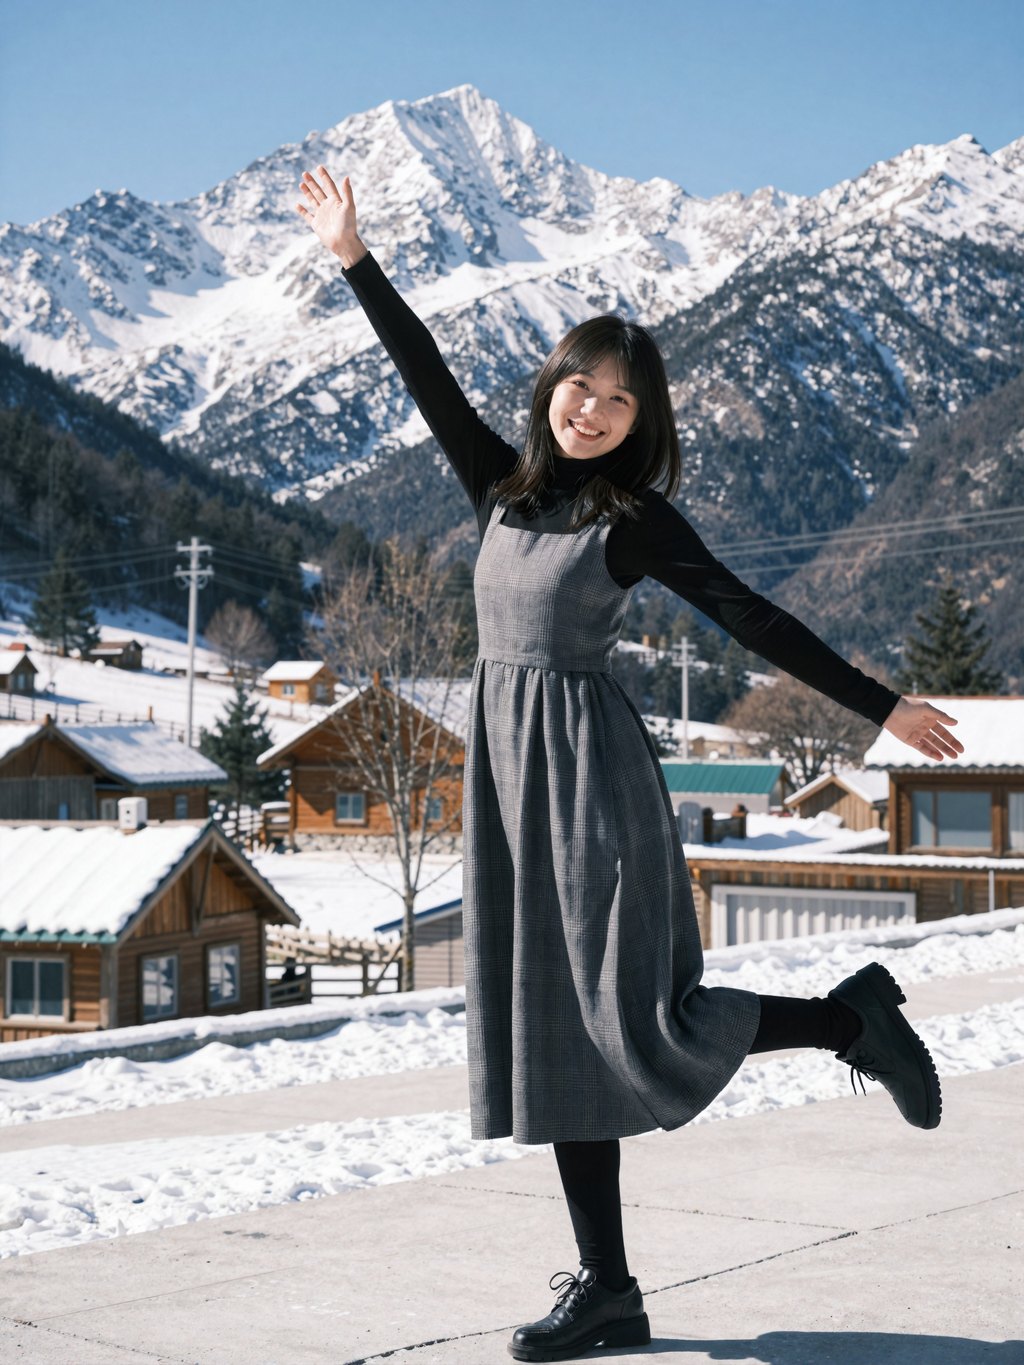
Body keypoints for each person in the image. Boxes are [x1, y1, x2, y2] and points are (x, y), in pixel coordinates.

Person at [296, 167, 965, 1363]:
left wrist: (881, 708)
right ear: (551, 387)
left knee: (633, 1017)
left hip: (592, 789)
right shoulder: (497, 489)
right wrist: (355, 259)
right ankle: (608, 1288)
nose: (592, 411)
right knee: (555, 1026)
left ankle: (845, 1021)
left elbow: (754, 620)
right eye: (578, 387)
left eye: (618, 398)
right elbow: (425, 373)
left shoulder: (632, 520)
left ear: (640, 416)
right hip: (509, 789)